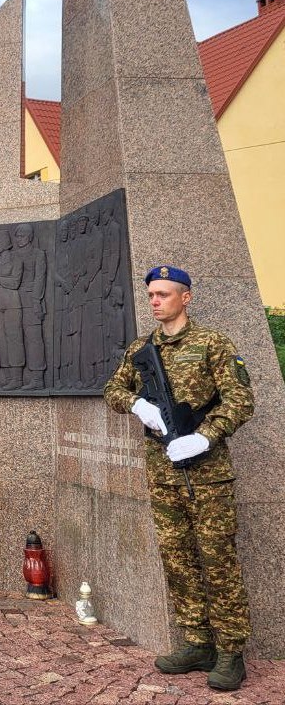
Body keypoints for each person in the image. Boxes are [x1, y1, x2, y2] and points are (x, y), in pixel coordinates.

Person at [104, 266, 254, 693]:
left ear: (185, 297)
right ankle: (197, 642)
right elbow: (112, 389)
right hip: (163, 474)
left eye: (164, 294)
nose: (155, 301)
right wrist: (136, 404)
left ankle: (230, 651)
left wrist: (206, 436)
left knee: (218, 560)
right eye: (151, 294)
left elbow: (241, 399)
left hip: (208, 476)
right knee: (178, 560)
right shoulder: (141, 349)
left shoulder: (212, 343)